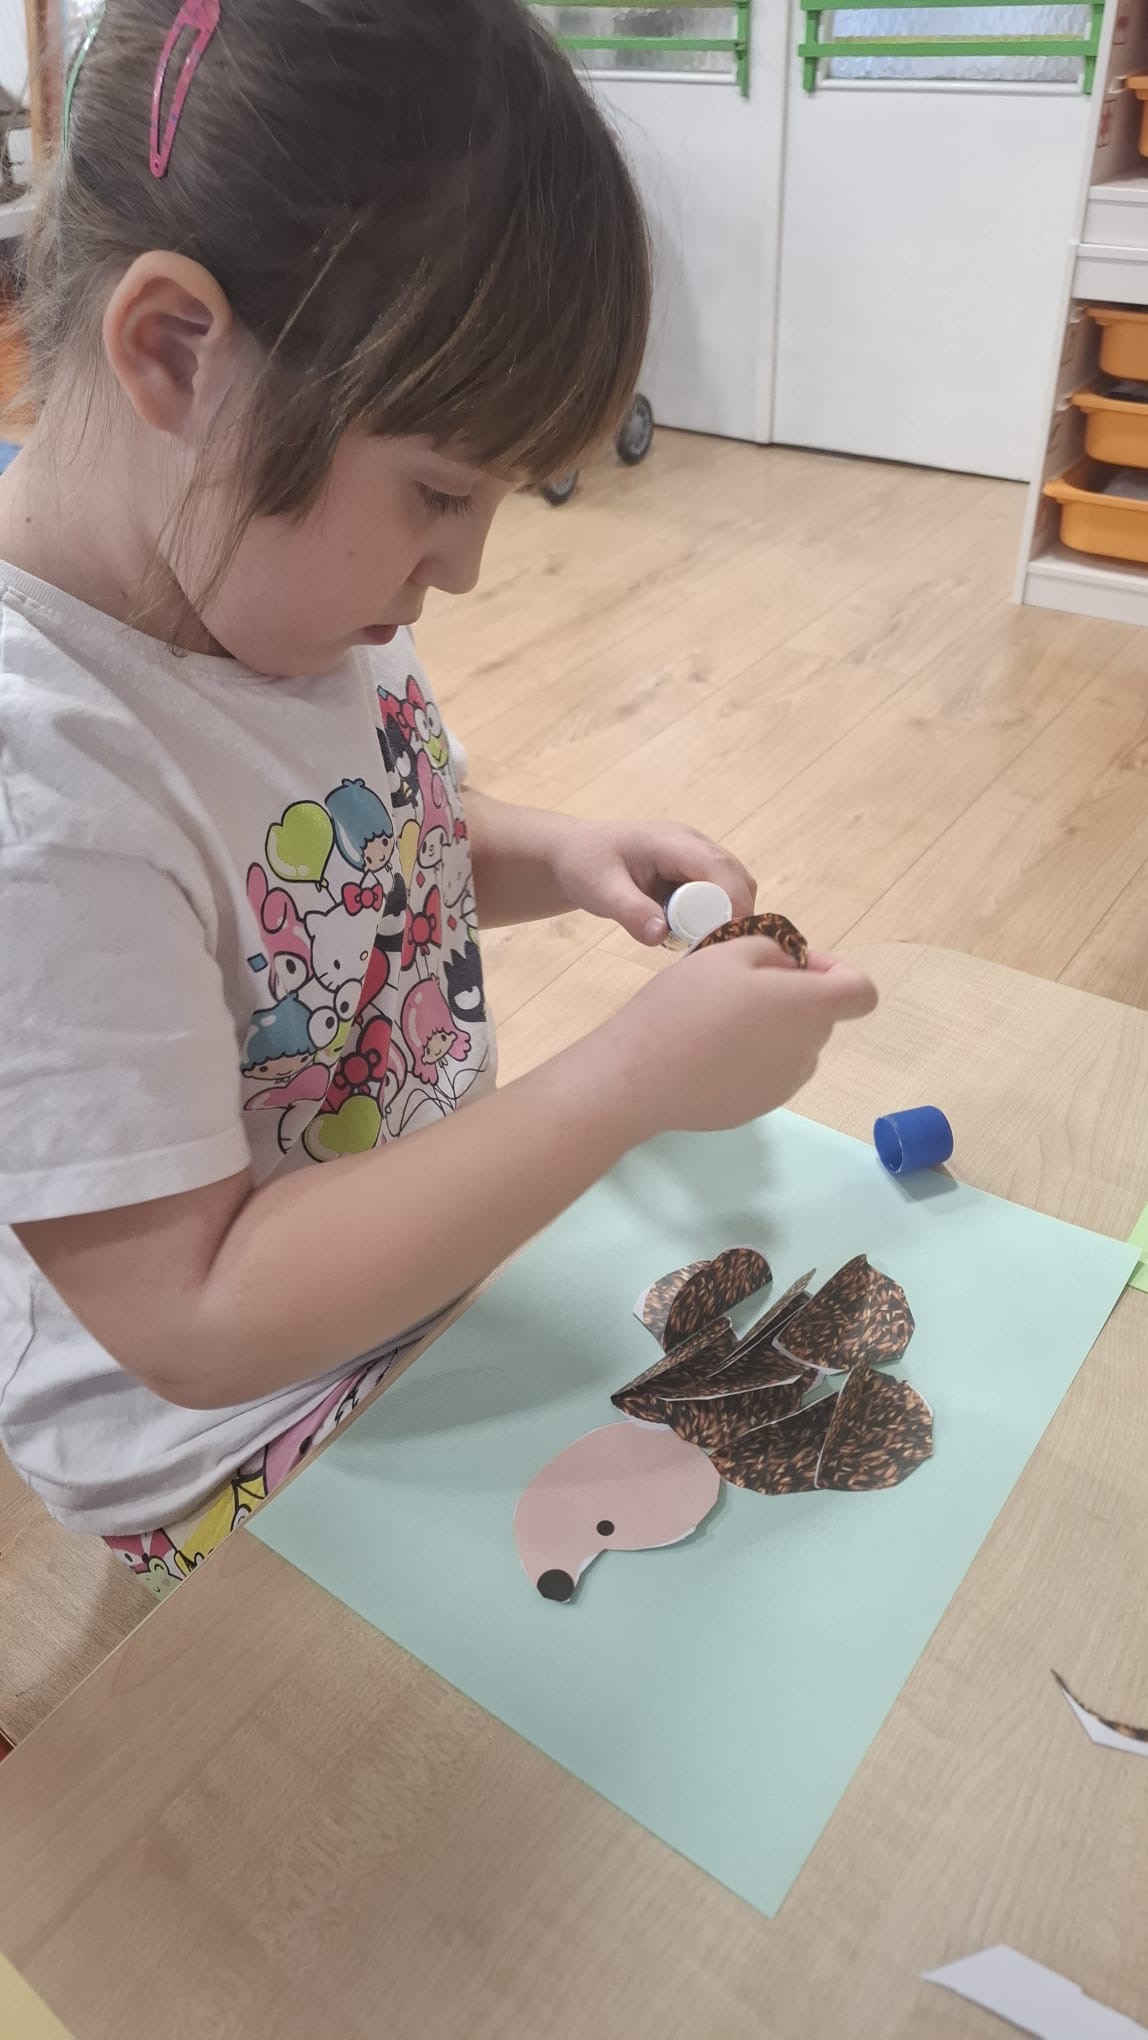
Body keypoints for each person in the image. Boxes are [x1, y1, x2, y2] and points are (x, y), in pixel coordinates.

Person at [0, 0, 877, 1596]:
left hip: (407, 1289)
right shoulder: (41, 794)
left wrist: (561, 852)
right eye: (439, 492)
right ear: (176, 352)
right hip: (237, 1440)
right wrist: (628, 1081)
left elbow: (359, 855)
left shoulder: (271, 588)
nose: (462, 569)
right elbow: (197, 1313)